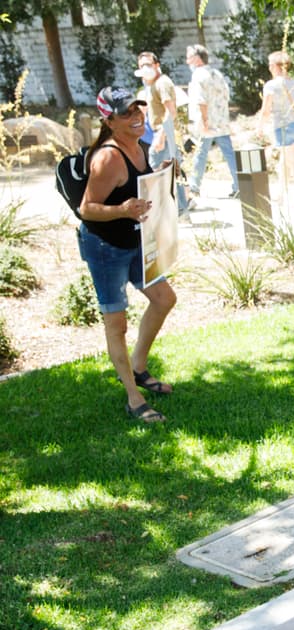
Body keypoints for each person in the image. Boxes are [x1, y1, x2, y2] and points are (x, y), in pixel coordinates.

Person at [78, 87, 177, 424]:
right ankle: (134, 399)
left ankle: (138, 367)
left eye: (139, 110)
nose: (137, 118)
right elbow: (87, 209)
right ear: (108, 120)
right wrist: (122, 209)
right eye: (127, 114)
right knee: (116, 324)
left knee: (164, 298)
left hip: (133, 240)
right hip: (105, 247)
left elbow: (136, 188)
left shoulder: (137, 146)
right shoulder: (107, 157)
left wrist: (160, 174)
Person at [134, 52, 187, 213]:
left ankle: (159, 210)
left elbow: (170, 112)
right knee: (172, 169)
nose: (145, 68)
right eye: (142, 65)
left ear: (157, 65)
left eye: (148, 64)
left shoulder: (162, 83)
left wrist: (161, 136)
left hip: (165, 132)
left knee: (153, 170)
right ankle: (181, 208)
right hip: (163, 132)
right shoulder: (152, 85)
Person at [185, 45, 238, 199]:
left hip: (206, 122)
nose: (187, 61)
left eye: (189, 57)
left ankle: (194, 187)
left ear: (196, 58)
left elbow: (200, 100)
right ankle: (238, 185)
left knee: (200, 154)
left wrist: (204, 120)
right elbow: (226, 95)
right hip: (221, 122)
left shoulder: (198, 76)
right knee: (229, 154)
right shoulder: (217, 73)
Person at [259, 50, 294, 210]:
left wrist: (259, 127)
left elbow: (266, 110)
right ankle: (279, 196)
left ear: (274, 66)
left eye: (270, 64)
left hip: (282, 127)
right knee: (284, 163)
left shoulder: (271, 85)